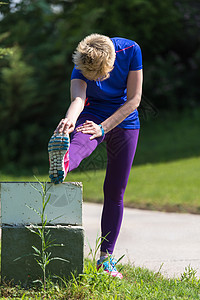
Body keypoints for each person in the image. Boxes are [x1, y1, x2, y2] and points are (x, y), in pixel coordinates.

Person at [48, 33, 143, 279]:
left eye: (98, 77)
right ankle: (63, 163)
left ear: (110, 64)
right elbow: (79, 98)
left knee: (114, 191)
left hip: (125, 119)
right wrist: (70, 119)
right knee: (78, 143)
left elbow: (134, 100)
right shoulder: (83, 61)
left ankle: (106, 258)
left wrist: (105, 127)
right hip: (92, 116)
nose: (96, 81)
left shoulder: (130, 50)